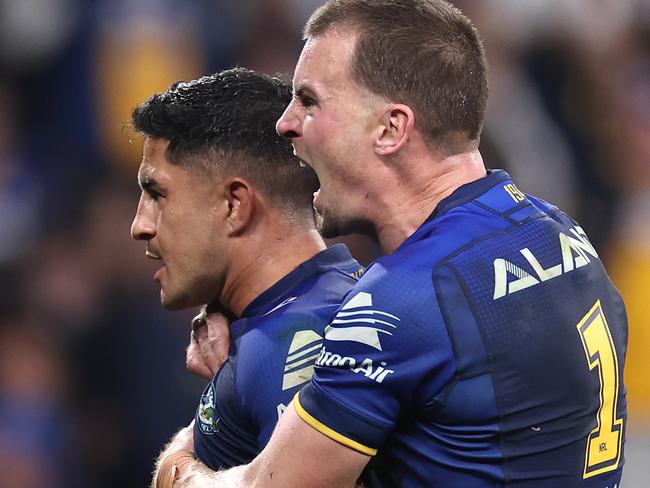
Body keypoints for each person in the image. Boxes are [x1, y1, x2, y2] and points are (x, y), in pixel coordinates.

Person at [163, 1, 628, 487]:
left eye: (309, 101)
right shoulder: (559, 232)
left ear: (390, 128)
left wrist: (187, 453)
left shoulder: (403, 300)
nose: (285, 122)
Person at [129, 68, 364, 487]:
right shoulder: (318, 303)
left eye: (157, 194)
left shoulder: (295, 342)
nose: (140, 225)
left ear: (235, 204)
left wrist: (177, 461)